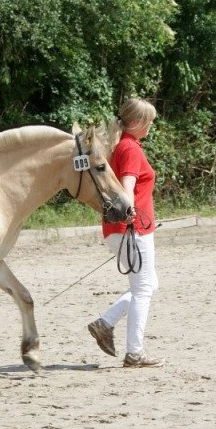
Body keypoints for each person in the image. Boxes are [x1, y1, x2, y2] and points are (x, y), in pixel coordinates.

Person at [88, 97, 164, 368]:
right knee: (144, 289)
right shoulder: (130, 148)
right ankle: (134, 353)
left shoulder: (118, 146)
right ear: (136, 122)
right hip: (131, 228)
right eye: (149, 121)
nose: (151, 126)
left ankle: (105, 323)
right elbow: (127, 186)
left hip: (117, 229)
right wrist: (130, 211)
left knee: (147, 284)